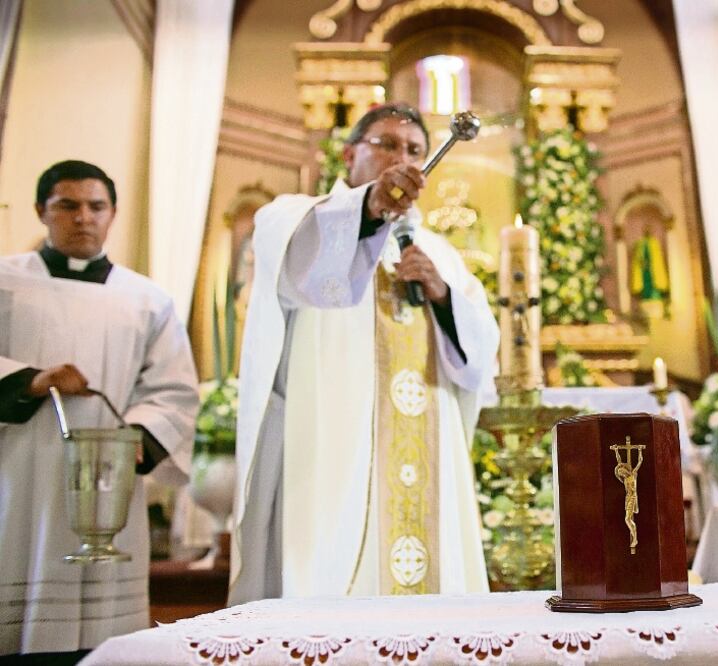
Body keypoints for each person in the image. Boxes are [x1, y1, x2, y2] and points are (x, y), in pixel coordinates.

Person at [231, 103, 499, 604]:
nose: (404, 158)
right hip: (332, 451)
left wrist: (443, 297)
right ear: (350, 153)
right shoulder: (293, 217)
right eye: (387, 144)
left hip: (428, 452)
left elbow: (482, 361)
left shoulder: (442, 254)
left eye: (415, 149)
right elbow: (294, 268)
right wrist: (369, 210)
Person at [0, 160, 198, 662]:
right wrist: (32, 380)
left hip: (108, 480)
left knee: (102, 642)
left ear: (112, 215)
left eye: (96, 206)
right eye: (67, 205)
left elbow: (174, 390)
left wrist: (135, 440)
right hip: (20, 472)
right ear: (41, 211)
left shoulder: (148, 300)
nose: (83, 217)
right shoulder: (5, 282)